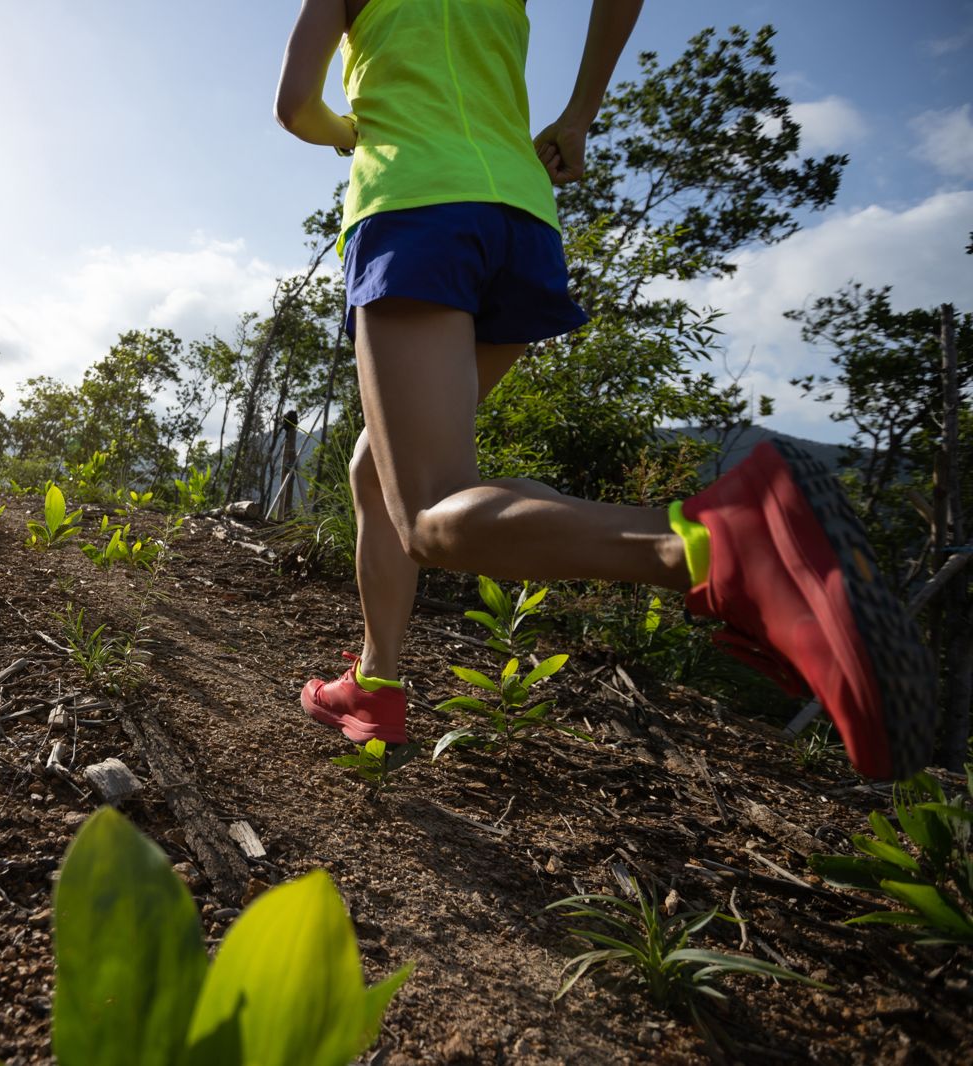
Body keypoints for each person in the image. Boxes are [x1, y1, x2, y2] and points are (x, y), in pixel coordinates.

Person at [275, 0, 937, 781]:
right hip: (520, 217)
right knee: (375, 468)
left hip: (415, 205)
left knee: (426, 511)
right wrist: (580, 114)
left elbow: (295, 106)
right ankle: (376, 685)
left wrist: (350, 133)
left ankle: (704, 542)